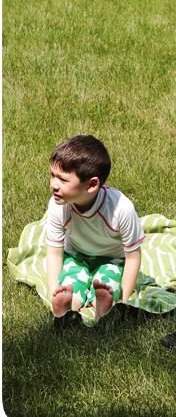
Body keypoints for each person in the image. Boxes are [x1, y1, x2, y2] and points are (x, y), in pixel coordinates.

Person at [45, 135, 145, 319]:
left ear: (91, 184)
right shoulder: (57, 205)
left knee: (108, 283)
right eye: (52, 175)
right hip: (76, 256)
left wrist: (123, 299)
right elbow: (54, 253)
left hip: (112, 260)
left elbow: (133, 257)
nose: (53, 185)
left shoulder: (121, 208)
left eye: (63, 180)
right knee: (71, 281)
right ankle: (67, 306)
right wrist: (54, 292)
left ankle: (103, 306)